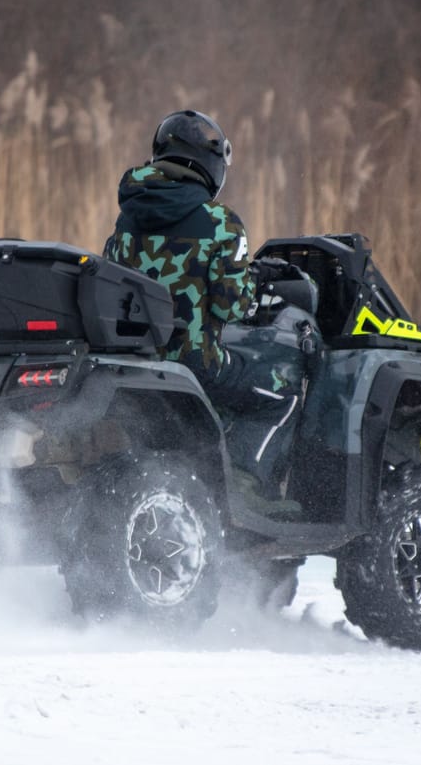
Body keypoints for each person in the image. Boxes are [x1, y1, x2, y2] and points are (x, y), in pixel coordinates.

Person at [103, 109, 312, 505]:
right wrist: (254, 279)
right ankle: (246, 488)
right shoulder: (221, 223)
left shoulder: (126, 218)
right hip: (197, 362)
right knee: (280, 392)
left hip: (133, 363)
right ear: (211, 164)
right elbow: (234, 307)